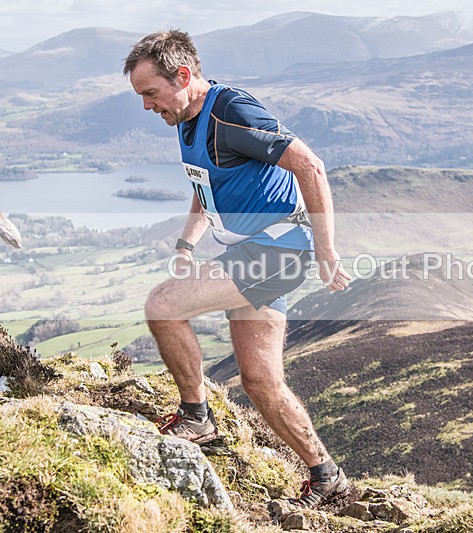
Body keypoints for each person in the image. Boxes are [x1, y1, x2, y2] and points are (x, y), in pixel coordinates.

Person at [123, 30, 352, 509]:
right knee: (260, 380)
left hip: (277, 252)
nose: (146, 106)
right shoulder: (187, 119)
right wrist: (188, 241)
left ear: (183, 76)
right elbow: (206, 182)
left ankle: (196, 418)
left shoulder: (232, 112)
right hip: (257, 254)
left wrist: (326, 250)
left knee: (163, 305)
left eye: (150, 93)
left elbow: (310, 166)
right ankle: (327, 475)